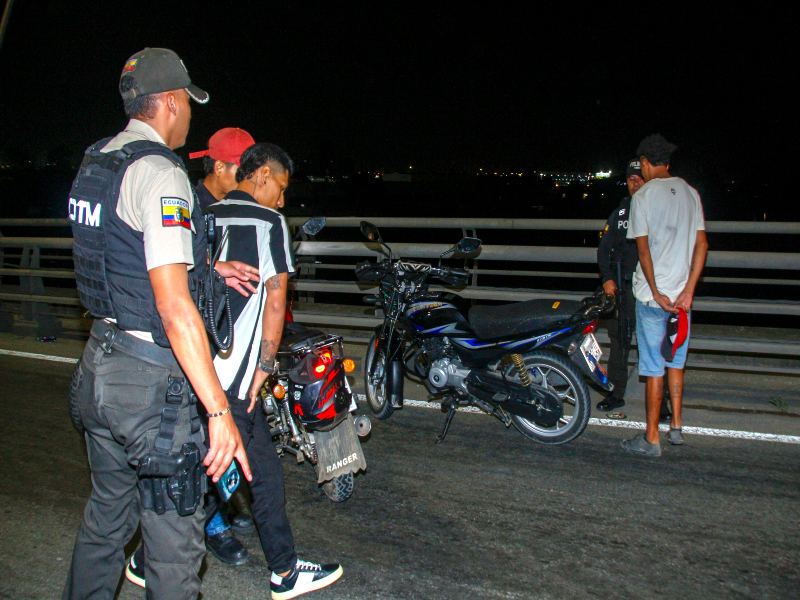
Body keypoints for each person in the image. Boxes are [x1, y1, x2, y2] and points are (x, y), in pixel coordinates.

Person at [63, 48, 255, 599]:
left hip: (98, 367)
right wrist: (219, 410)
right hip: (148, 389)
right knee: (174, 548)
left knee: (106, 524)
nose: (190, 114)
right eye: (189, 104)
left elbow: (117, 249)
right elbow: (174, 308)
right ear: (170, 103)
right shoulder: (160, 172)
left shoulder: (98, 160)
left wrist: (204, 264)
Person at [128, 142, 343, 599]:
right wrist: (264, 369)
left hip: (196, 370)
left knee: (258, 471)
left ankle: (283, 569)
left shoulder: (203, 215)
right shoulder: (269, 223)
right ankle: (150, 558)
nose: (282, 200)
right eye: (281, 188)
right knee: (215, 475)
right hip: (236, 382)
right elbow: (277, 300)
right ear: (262, 175)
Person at [124, 128, 259, 584]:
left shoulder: (219, 206)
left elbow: (186, 257)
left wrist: (214, 267)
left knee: (212, 437)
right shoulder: (186, 198)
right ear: (221, 168)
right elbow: (164, 270)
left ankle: (214, 508)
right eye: (247, 169)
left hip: (201, 331)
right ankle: (206, 526)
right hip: (177, 339)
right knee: (200, 436)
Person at [621, 134, 708, 457]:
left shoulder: (642, 198)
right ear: (668, 162)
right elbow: (702, 245)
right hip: (682, 301)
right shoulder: (690, 193)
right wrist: (688, 291)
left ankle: (651, 438)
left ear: (645, 162)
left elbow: (643, 251)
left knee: (654, 365)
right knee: (676, 361)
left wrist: (656, 292)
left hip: (652, 299)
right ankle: (677, 428)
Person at [596, 159, 672, 422]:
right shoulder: (619, 214)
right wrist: (607, 279)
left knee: (654, 345)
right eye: (631, 179)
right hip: (624, 289)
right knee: (619, 343)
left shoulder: (660, 211)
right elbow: (604, 250)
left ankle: (662, 404)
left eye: (640, 178)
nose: (635, 183)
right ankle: (616, 393)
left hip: (652, 291)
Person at [189, 127, 256, 209]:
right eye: (244, 171)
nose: (250, 179)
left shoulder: (243, 207)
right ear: (219, 168)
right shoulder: (190, 205)